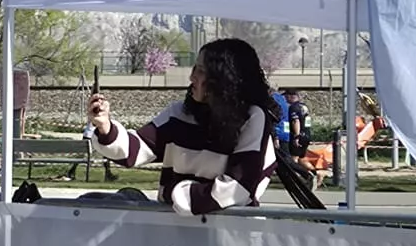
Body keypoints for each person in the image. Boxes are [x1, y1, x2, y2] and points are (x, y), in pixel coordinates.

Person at [84, 38, 283, 213]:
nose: (191, 77)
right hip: (176, 235)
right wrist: (105, 127)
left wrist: (175, 193)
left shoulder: (253, 118)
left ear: (223, 78)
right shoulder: (178, 113)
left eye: (201, 70)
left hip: (231, 239)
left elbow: (236, 190)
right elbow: (136, 149)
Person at [284, 89, 312, 159]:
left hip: (298, 136)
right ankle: (311, 170)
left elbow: (295, 121)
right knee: (302, 159)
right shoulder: (304, 106)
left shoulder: (293, 107)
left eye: (286, 97)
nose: (285, 99)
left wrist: (297, 136)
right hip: (307, 134)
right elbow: (308, 120)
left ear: (290, 97)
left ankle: (293, 170)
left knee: (294, 158)